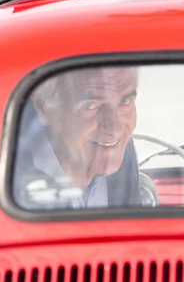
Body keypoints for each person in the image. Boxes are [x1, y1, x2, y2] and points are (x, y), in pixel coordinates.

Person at [13, 66, 153, 210]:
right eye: (90, 106)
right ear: (42, 106)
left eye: (125, 102)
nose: (115, 129)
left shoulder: (123, 152)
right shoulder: (11, 182)